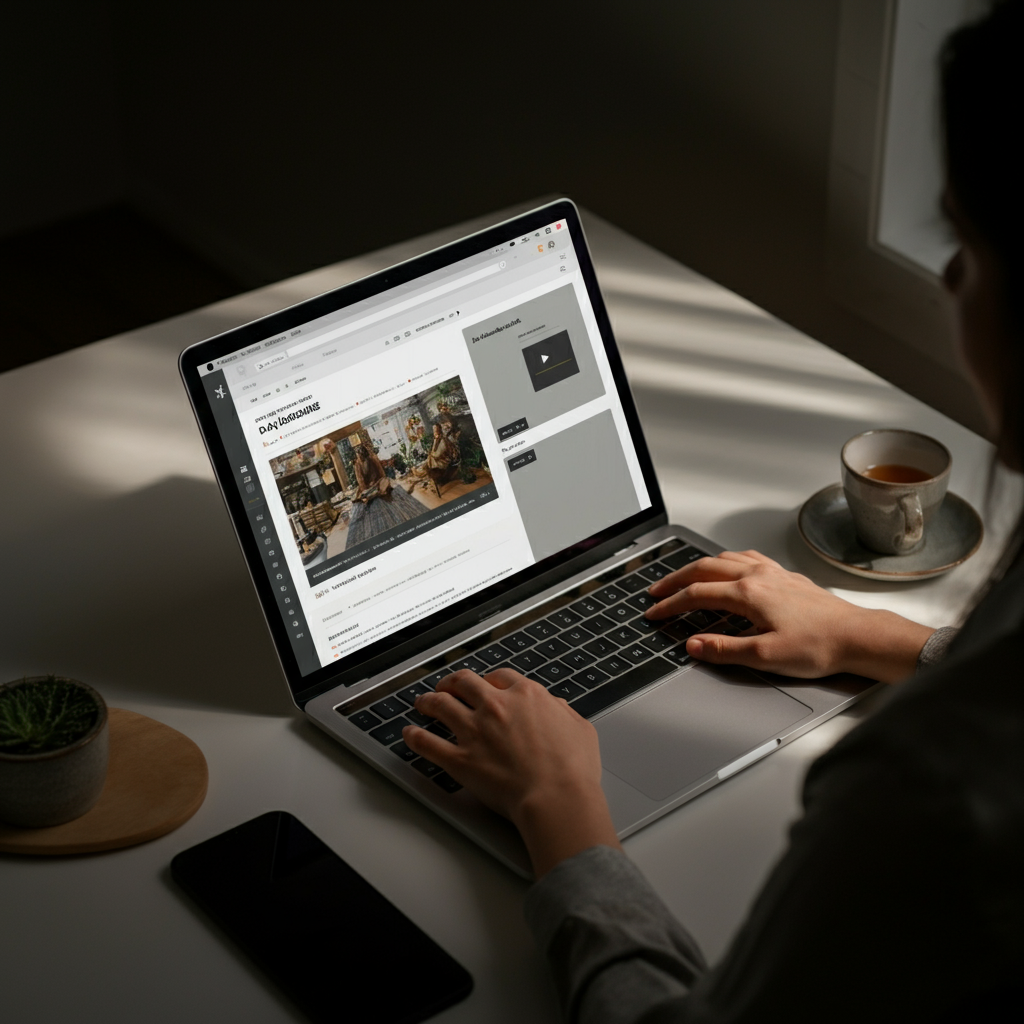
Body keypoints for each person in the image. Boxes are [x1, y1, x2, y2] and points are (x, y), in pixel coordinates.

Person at [403, 3, 1024, 1020]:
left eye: (968, 241)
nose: (951, 277)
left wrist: (564, 819)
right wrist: (871, 633)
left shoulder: (926, 798)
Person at [345, 444, 428, 548]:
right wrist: (367, 488)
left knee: (385, 482)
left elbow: (381, 474)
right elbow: (360, 481)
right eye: (358, 455)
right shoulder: (357, 464)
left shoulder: (372, 459)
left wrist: (376, 483)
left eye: (360, 455)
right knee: (362, 496)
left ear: (363, 454)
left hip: (379, 482)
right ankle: (373, 494)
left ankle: (378, 493)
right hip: (368, 488)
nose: (359, 457)